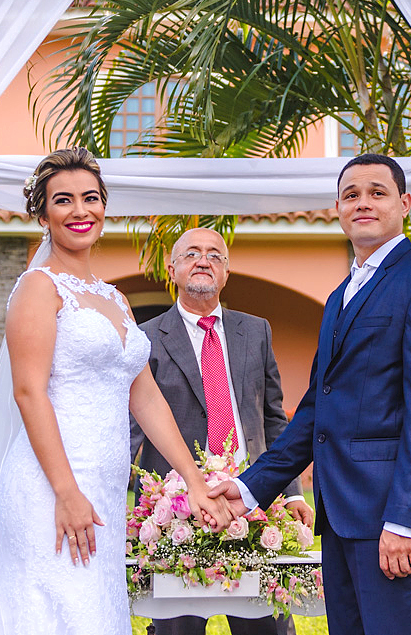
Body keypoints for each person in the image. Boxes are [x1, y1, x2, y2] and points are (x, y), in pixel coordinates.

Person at [0, 148, 230, 635]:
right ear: (44, 214)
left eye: (90, 198)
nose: (80, 211)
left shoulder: (113, 298)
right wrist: (66, 492)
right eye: (64, 200)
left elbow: (146, 397)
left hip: (105, 493)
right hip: (50, 490)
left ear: (104, 207)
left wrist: (194, 479)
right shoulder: (37, 288)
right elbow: (29, 393)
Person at [208, 153, 411, 635]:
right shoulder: (340, 295)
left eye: (377, 192)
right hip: (341, 515)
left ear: (405, 203)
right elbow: (316, 411)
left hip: (391, 516)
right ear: (338, 209)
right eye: (351, 195)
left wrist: (405, 521)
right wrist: (249, 489)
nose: (362, 203)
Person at [130, 227, 312, 635]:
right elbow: (131, 427)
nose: (204, 260)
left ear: (226, 273)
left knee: (267, 627)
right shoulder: (145, 339)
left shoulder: (257, 331)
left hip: (253, 500)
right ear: (172, 269)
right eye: (192, 253)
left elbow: (273, 418)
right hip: (174, 505)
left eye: (215, 255)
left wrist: (293, 491)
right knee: (179, 629)